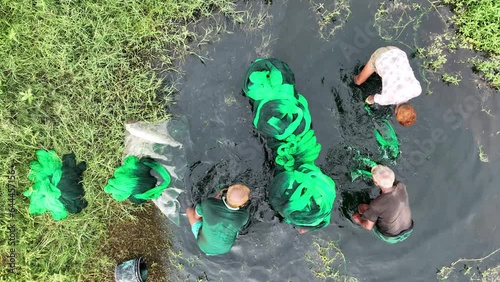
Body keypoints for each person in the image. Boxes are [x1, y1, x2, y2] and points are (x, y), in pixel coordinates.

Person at [354, 46, 421, 127]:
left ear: (411, 107)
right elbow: (371, 99)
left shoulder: (417, 90)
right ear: (396, 112)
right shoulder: (386, 99)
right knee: (358, 82)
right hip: (380, 55)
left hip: (397, 51)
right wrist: (366, 103)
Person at [352, 165, 413, 244]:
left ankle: (366, 215)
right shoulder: (401, 186)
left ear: (376, 183)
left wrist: (359, 220)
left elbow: (368, 227)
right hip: (408, 230)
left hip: (389, 237)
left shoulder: (376, 205)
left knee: (362, 207)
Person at [186, 184, 250, 255]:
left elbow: (196, 216)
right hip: (225, 249)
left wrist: (214, 202)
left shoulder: (208, 204)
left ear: (226, 193)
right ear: (243, 205)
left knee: (190, 211)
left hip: (204, 246)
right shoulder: (244, 215)